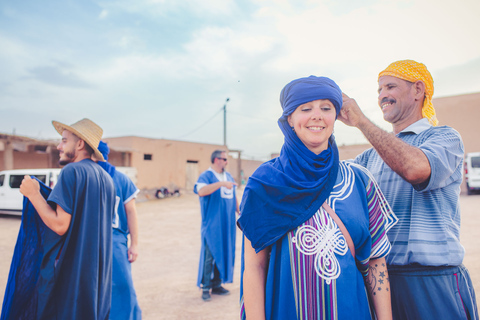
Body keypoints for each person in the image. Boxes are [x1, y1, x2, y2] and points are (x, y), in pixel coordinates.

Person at [238, 76, 398, 319]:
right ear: (289, 118)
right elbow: (254, 268)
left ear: (335, 117)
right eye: (305, 108)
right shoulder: (265, 183)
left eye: (326, 108)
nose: (317, 116)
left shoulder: (359, 180)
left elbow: (376, 262)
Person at [339, 60, 478, 320]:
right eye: (379, 90)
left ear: (418, 90)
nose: (382, 96)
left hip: (432, 281)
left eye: (390, 87)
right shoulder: (369, 158)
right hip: (382, 283)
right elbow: (329, 180)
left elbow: (414, 168)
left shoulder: (444, 138)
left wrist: (361, 121)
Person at [18, 118, 115, 319]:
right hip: (97, 277)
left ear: (80, 144)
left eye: (63, 141)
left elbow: (60, 225)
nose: (58, 146)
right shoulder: (106, 179)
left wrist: (34, 194)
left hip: (70, 277)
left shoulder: (72, 171)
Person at [97, 141, 142, 320]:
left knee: (122, 285)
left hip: (115, 239)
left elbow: (131, 212)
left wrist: (135, 244)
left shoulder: (120, 178)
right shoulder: (83, 174)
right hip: (90, 239)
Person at [194, 150, 239, 301]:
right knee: (209, 255)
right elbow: (201, 191)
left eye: (227, 160)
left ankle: (217, 284)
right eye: (224, 159)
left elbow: (234, 196)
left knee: (225, 251)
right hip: (212, 224)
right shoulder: (206, 176)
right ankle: (206, 287)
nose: (226, 162)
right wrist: (220, 184)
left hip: (228, 223)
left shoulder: (229, 176)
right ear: (216, 159)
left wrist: (240, 211)